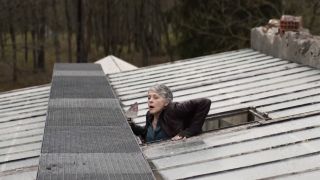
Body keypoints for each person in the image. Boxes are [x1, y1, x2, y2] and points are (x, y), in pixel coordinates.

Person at [129, 84, 211, 143]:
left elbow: (204, 102)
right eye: (149, 97)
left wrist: (190, 131)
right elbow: (146, 132)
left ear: (166, 102)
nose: (150, 100)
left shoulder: (173, 109)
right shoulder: (149, 115)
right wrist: (131, 125)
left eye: (155, 97)